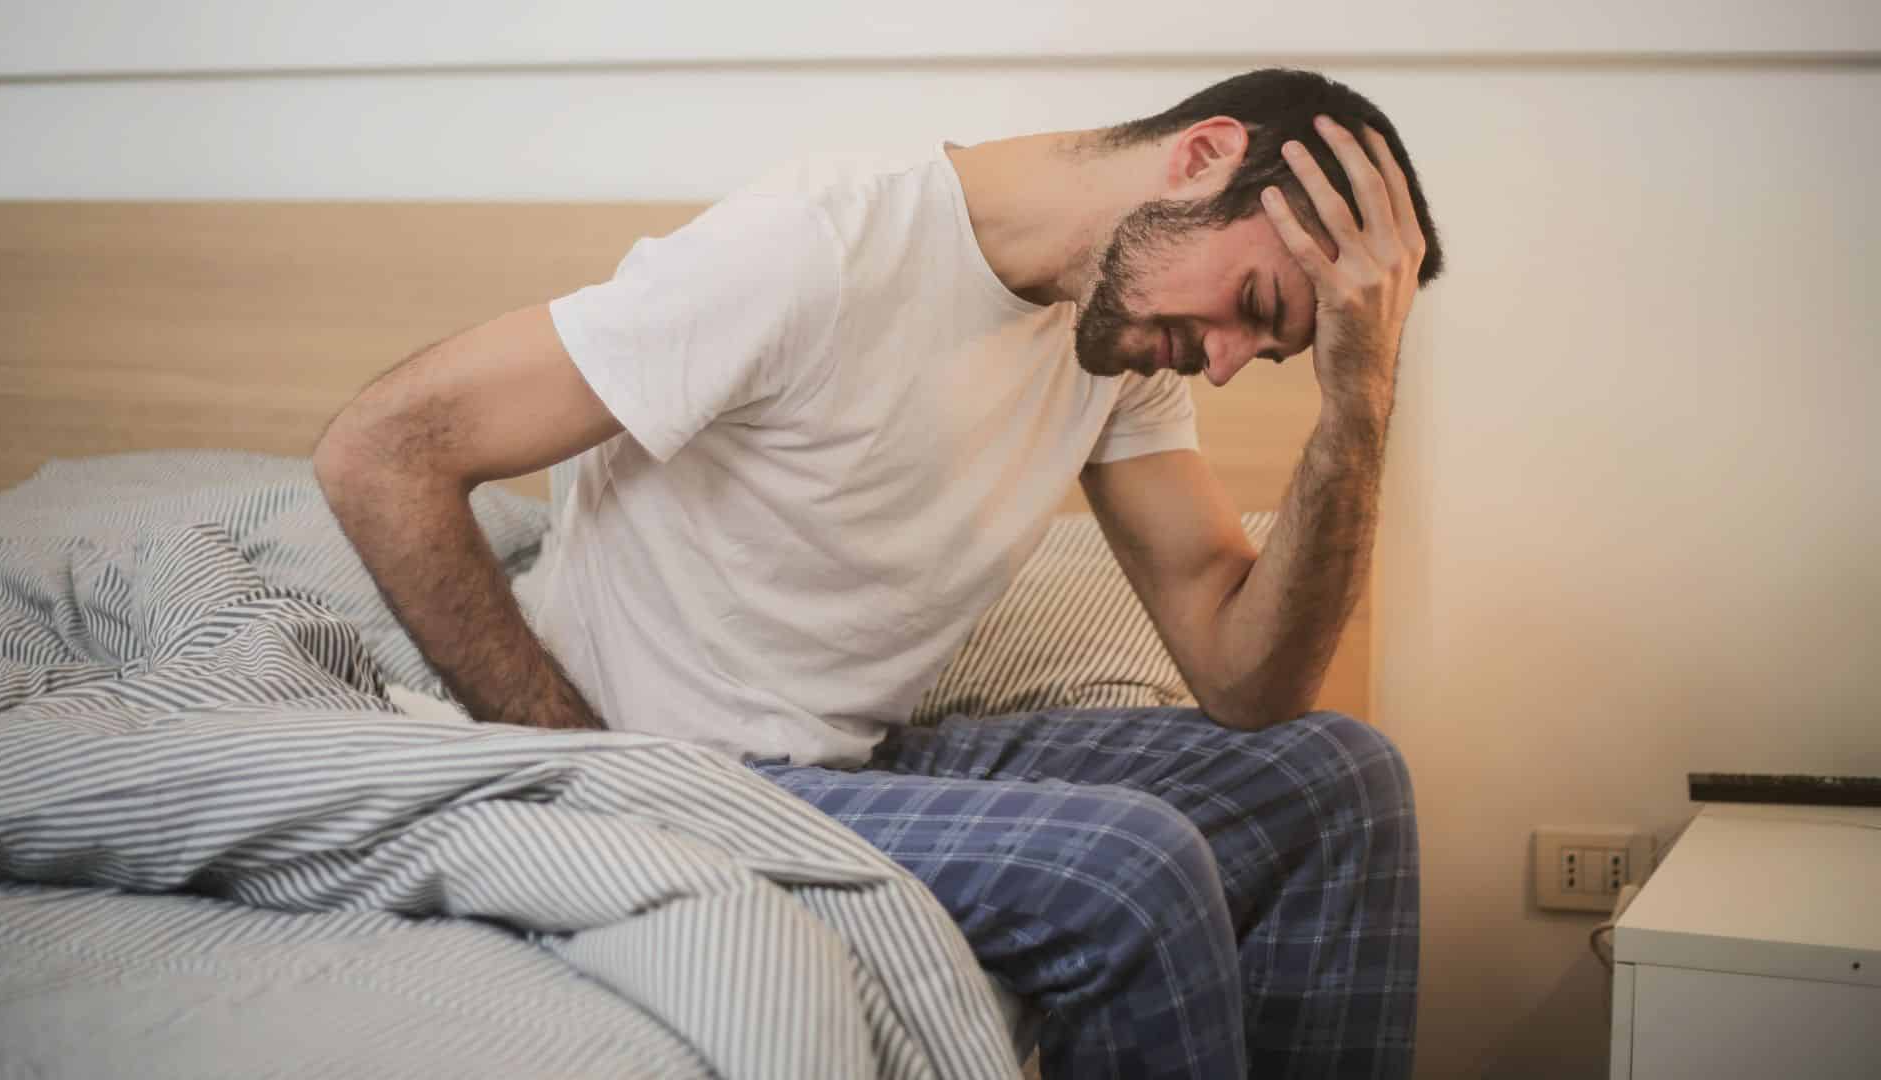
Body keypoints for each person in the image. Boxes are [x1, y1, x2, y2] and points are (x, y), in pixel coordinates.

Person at [315, 67, 1444, 1080]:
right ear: (1201, 156)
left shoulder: (1119, 339)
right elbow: (382, 450)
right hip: (673, 767)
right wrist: (590, 773)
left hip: (848, 759)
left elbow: (1247, 683)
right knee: (1128, 873)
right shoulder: (816, 248)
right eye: (1253, 308)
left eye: (1277, 350)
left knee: (1335, 779)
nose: (1234, 361)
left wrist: (1359, 398)